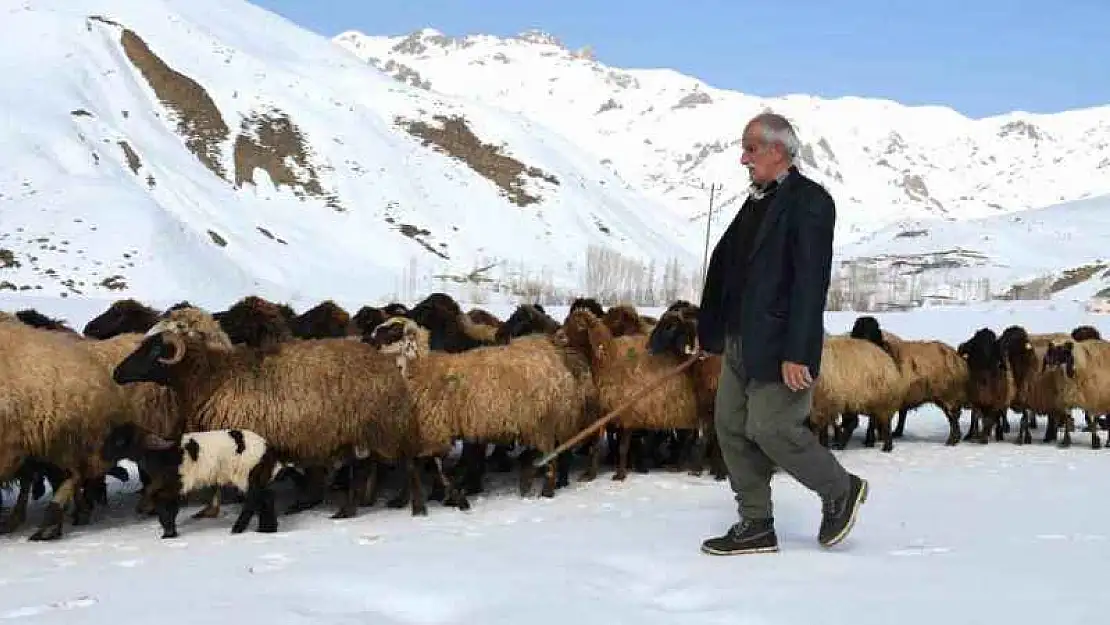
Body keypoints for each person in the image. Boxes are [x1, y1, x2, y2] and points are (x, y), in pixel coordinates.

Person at [695, 112, 867, 555]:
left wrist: (799, 352)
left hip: (778, 344)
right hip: (738, 341)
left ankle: (839, 488)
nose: (743, 159)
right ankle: (755, 524)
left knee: (771, 426)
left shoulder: (810, 201)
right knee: (730, 426)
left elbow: (811, 282)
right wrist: (711, 332)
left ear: (777, 150)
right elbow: (732, 271)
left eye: (750, 149)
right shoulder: (755, 202)